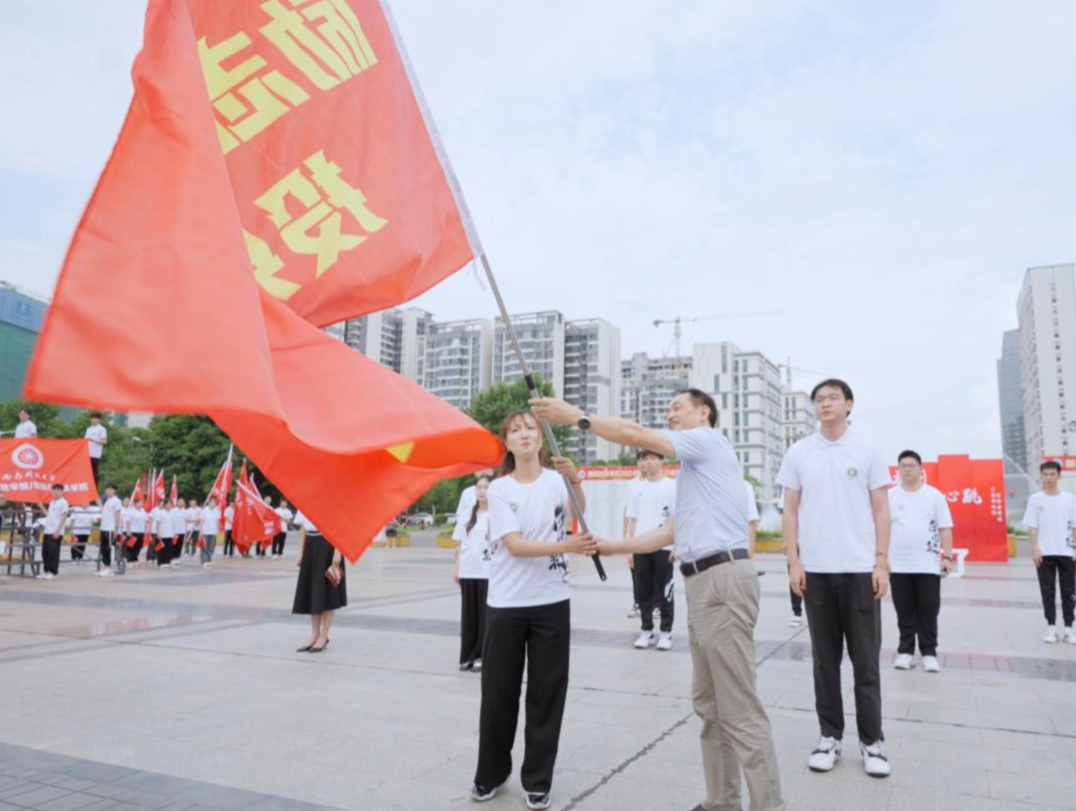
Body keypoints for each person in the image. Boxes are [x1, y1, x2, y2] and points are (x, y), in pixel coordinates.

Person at [533, 390, 785, 811]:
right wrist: (614, 547)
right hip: (703, 584)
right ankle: (721, 802)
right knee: (710, 706)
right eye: (667, 409)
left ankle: (768, 805)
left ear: (703, 413)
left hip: (722, 580)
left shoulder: (707, 441)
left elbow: (634, 433)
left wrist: (574, 416)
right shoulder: (693, 469)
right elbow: (672, 532)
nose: (669, 414)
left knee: (738, 708)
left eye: (677, 407)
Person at [470, 410, 594, 810]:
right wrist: (567, 548)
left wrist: (573, 476)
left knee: (546, 694)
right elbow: (515, 545)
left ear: (541, 440)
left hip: (552, 602)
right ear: (506, 442)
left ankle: (537, 779)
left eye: (531, 429)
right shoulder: (501, 489)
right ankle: (490, 773)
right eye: (515, 430)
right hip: (506, 604)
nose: (524, 434)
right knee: (499, 693)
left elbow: (579, 511)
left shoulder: (557, 481)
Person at [779, 378, 892, 778]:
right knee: (824, 662)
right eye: (819, 399)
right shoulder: (799, 452)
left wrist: (881, 563)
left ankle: (872, 742)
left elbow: (881, 510)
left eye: (832, 398)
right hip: (817, 573)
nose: (824, 404)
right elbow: (789, 511)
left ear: (849, 404)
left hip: (861, 570)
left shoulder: (868, 451)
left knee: (866, 661)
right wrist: (794, 563)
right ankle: (829, 737)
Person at [888, 450, 955, 671]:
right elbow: (880, 527)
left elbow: (945, 527)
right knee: (904, 610)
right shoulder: (889, 496)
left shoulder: (933, 495)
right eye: (903, 466)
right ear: (898, 470)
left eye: (911, 465)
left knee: (928, 609)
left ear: (920, 469)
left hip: (927, 564)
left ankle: (929, 653)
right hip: (898, 564)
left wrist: (947, 556)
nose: (907, 469)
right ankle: (905, 652)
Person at [626, 450, 677, 651]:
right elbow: (632, 518)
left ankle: (666, 632)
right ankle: (646, 630)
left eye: (652, 459)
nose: (648, 462)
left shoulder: (671, 486)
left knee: (666, 591)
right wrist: (629, 547)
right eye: (645, 459)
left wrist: (676, 545)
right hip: (640, 545)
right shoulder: (636, 487)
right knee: (643, 590)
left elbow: (677, 517)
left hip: (664, 546)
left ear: (661, 461)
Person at [1024, 460, 1076, 644]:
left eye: (1052, 474)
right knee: (1047, 591)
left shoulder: (1069, 499)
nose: (1049, 478)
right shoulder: (1035, 499)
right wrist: (1035, 549)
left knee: (1069, 591)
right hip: (1044, 553)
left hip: (1067, 552)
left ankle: (1069, 628)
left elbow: (1074, 526)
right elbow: (1032, 526)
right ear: (1042, 476)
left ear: (1059, 476)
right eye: (1046, 474)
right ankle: (1051, 628)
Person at [453, 474, 492, 672]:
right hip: (469, 570)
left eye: (486, 487)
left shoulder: (496, 514)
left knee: (485, 616)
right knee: (469, 616)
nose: (482, 490)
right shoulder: (468, 514)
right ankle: (467, 656)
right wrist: (457, 567)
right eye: (479, 487)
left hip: (488, 572)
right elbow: (460, 543)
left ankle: (482, 656)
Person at [292, 509, 345, 653]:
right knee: (313, 590)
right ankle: (315, 634)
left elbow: (340, 526)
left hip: (328, 545)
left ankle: (324, 635)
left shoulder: (333, 497)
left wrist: (337, 552)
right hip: (310, 545)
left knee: (327, 591)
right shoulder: (304, 497)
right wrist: (301, 552)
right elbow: (303, 527)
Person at [624, 463, 645, 620]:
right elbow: (628, 513)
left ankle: (656, 605)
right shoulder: (632, 485)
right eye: (643, 460)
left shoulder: (663, 485)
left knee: (654, 576)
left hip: (654, 538)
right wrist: (626, 538)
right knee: (636, 573)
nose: (646, 463)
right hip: (636, 538)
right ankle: (637, 603)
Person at [39, 484, 69, 579]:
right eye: (54, 490)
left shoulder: (63, 502)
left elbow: (64, 517)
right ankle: (46, 571)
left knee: (53, 552)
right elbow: (49, 515)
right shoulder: (52, 502)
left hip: (56, 531)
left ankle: (53, 572)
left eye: (58, 490)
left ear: (62, 491)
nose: (55, 492)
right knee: (45, 552)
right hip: (48, 530)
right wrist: (41, 506)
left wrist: (58, 530)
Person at [98, 483, 122, 577]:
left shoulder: (117, 501)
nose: (108, 491)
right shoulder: (107, 500)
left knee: (108, 548)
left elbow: (117, 514)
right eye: (107, 489)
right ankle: (104, 567)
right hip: (103, 528)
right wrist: (99, 503)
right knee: (103, 548)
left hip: (110, 528)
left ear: (114, 490)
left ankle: (109, 568)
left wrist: (116, 528)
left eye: (110, 489)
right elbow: (103, 512)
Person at [84, 413, 108, 487]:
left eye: (96, 418)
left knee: (94, 473)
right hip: (87, 454)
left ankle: (94, 490)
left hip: (95, 455)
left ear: (99, 420)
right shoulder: (89, 429)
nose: (94, 420)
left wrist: (93, 440)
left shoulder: (101, 429)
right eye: (92, 418)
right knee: (86, 474)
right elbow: (84, 440)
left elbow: (104, 441)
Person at [200, 496, 221, 568]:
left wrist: (218, 530)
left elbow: (217, 521)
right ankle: (204, 560)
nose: (213, 503)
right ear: (209, 502)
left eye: (214, 502)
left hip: (213, 531)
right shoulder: (205, 510)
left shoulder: (217, 510)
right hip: (205, 531)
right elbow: (202, 521)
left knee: (211, 546)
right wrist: (201, 530)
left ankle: (209, 559)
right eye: (211, 502)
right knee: (204, 546)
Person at [155, 500, 176, 568]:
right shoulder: (161, 513)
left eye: (170, 504)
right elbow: (158, 523)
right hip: (162, 534)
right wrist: (158, 533)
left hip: (170, 534)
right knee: (162, 549)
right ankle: (161, 562)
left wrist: (174, 533)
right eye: (167, 504)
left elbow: (173, 524)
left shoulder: (172, 513)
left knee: (169, 548)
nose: (169, 505)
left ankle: (167, 561)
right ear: (164, 505)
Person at [170, 498, 188, 567]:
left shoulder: (184, 511)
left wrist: (186, 530)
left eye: (182, 502)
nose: (181, 503)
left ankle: (177, 557)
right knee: (174, 545)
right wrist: (173, 531)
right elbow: (172, 521)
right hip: (175, 531)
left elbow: (185, 521)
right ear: (177, 503)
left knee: (180, 545)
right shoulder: (173, 511)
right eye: (179, 502)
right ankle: (172, 558)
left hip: (182, 531)